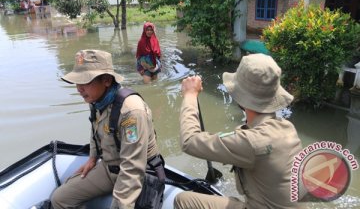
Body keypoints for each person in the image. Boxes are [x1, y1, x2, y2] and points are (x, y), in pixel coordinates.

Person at [175, 53, 302, 209]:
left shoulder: (251, 142)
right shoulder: (287, 129)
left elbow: (189, 141)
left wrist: (190, 94)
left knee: (183, 200)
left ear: (241, 97)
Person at [51, 49, 165, 209]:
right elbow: (95, 128)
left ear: (106, 80)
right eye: (77, 81)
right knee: (60, 199)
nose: (79, 88)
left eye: (85, 81)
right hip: (110, 167)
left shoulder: (131, 111)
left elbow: (132, 169)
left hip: (142, 173)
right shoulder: (97, 100)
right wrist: (92, 157)